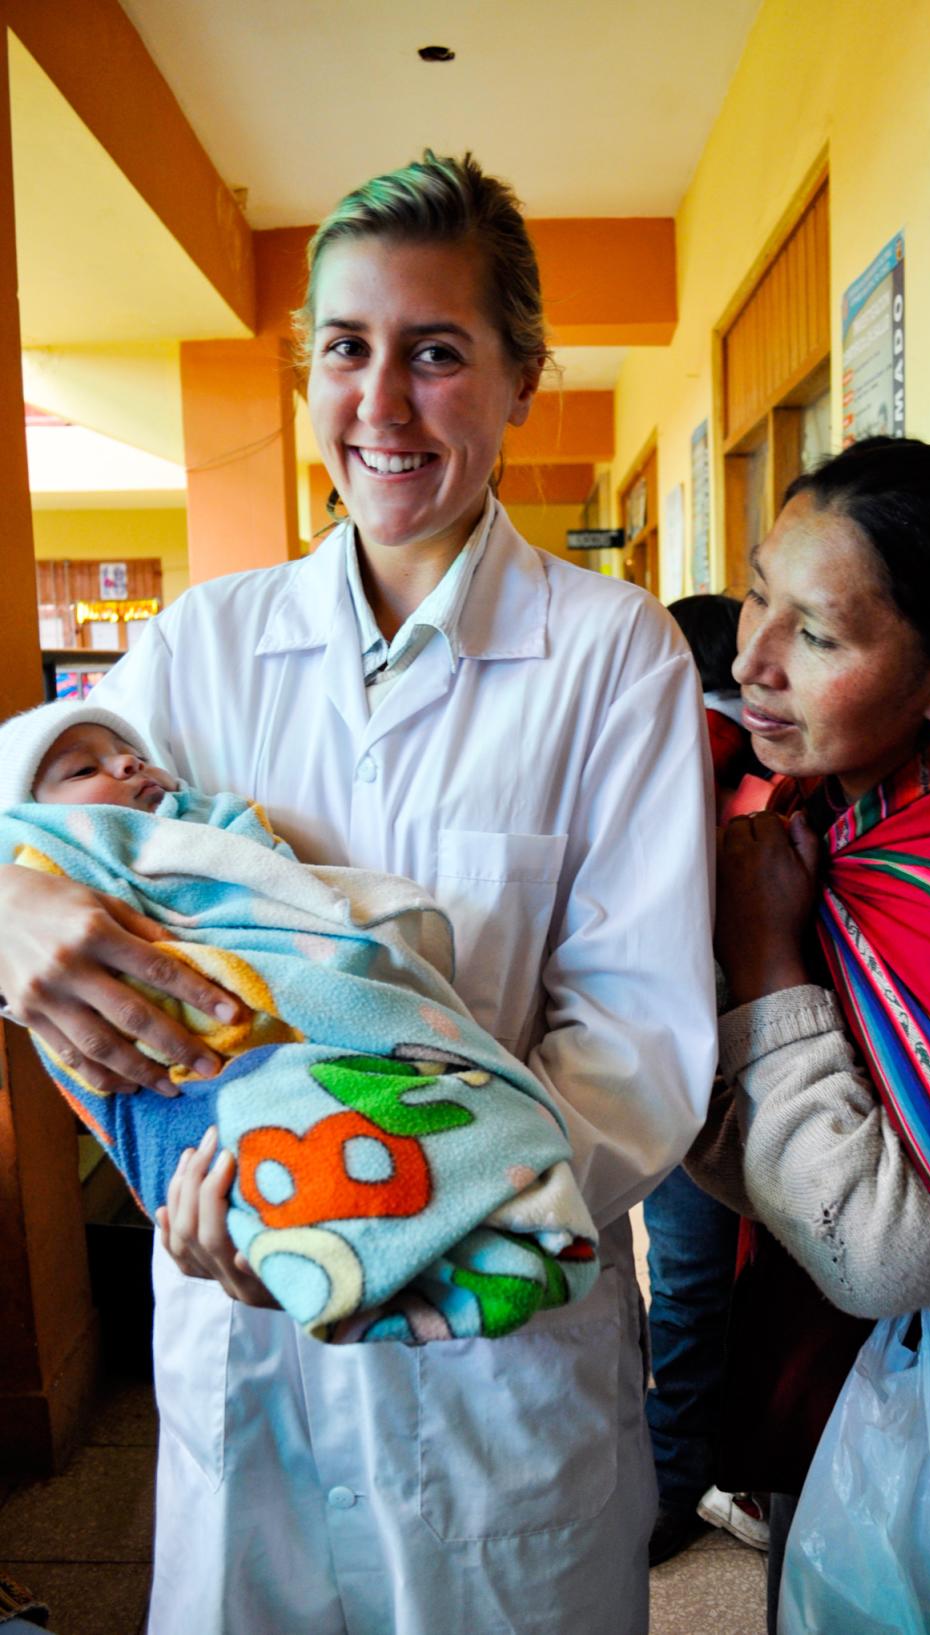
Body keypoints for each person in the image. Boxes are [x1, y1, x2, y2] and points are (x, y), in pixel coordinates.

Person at [0, 152, 716, 1635]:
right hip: (238, 1332)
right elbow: (48, 814)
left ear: (522, 374)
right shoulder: (205, 643)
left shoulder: (609, 654)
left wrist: (364, 1219)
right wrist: (11, 908)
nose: (380, 404)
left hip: (495, 1358)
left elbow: (636, 1046)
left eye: (436, 352)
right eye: (345, 347)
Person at [685, 436, 930, 1631]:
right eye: (760, 590)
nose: (752, 659)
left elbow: (884, 1255)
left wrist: (760, 960)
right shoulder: (828, 817)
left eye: (815, 635)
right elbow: (731, 1160)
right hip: (854, 1407)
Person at [0, 700, 599, 1343]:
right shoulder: (62, 849)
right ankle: (377, 1250)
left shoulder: (211, 822)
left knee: (465, 1114)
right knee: (287, 1133)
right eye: (86, 767)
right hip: (216, 1061)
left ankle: (504, 1216)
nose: (127, 760)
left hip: (339, 1019)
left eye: (135, 756)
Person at [643, 595, 767, 1565]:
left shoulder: (663, 756)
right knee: (713, 1286)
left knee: (670, 1282)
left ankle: (670, 1479)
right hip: (751, 1074)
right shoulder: (775, 776)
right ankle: (701, 1475)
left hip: (660, 1059)